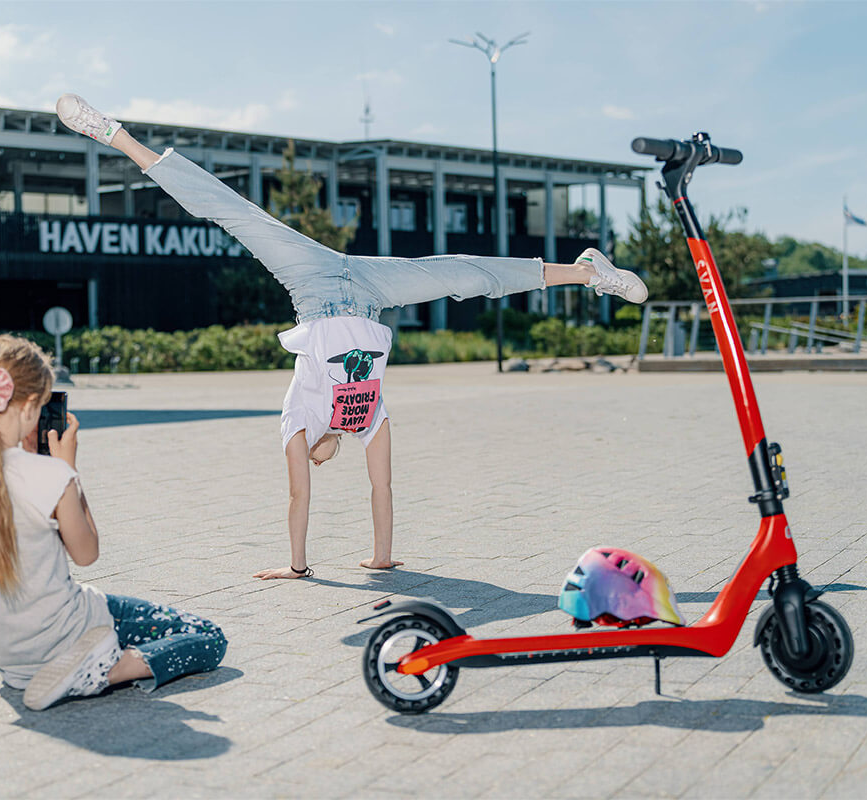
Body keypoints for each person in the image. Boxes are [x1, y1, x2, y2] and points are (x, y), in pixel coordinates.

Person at [55, 94, 649, 581]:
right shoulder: (366, 418)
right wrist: (383, 557)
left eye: (316, 456)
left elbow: (297, 500)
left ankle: (115, 135)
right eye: (320, 454)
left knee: (234, 214)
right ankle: (586, 271)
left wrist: (297, 567)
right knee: (465, 275)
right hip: (369, 289)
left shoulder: (296, 421)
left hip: (310, 282)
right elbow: (382, 487)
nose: (319, 456)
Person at [0, 335, 227, 710]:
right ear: (32, 404)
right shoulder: (48, 474)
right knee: (208, 638)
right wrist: (68, 472)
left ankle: (77, 665)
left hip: (12, 660)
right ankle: (101, 671)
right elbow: (87, 554)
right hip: (69, 632)